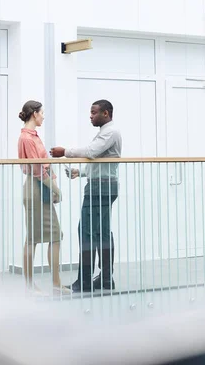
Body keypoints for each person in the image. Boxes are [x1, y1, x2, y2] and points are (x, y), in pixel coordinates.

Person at [50, 99, 122, 293]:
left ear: (105, 113)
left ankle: (85, 281)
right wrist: (80, 172)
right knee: (102, 233)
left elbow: (91, 152)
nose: (90, 116)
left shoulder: (110, 132)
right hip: (104, 187)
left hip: (100, 189)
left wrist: (64, 152)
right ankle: (106, 280)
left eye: (93, 112)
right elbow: (100, 161)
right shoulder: (105, 133)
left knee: (87, 233)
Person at [18, 100, 70, 296]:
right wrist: (56, 188)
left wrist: (53, 185)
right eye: (41, 113)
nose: (43, 116)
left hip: (40, 186)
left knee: (55, 235)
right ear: (34, 114)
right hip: (35, 187)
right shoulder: (26, 138)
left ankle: (56, 283)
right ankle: (30, 286)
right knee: (32, 238)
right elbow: (38, 169)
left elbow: (43, 166)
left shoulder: (32, 136)